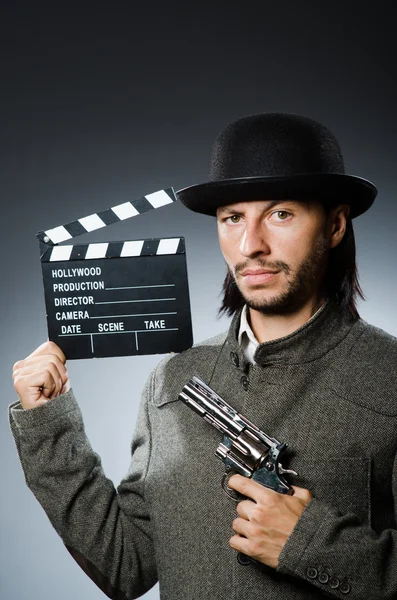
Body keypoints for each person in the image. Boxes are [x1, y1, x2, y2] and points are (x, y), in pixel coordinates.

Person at [10, 113, 397, 600]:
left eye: (280, 214)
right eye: (233, 218)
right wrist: (47, 422)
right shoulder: (171, 381)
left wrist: (309, 542)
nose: (251, 245)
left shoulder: (391, 381)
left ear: (336, 224)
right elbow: (124, 564)